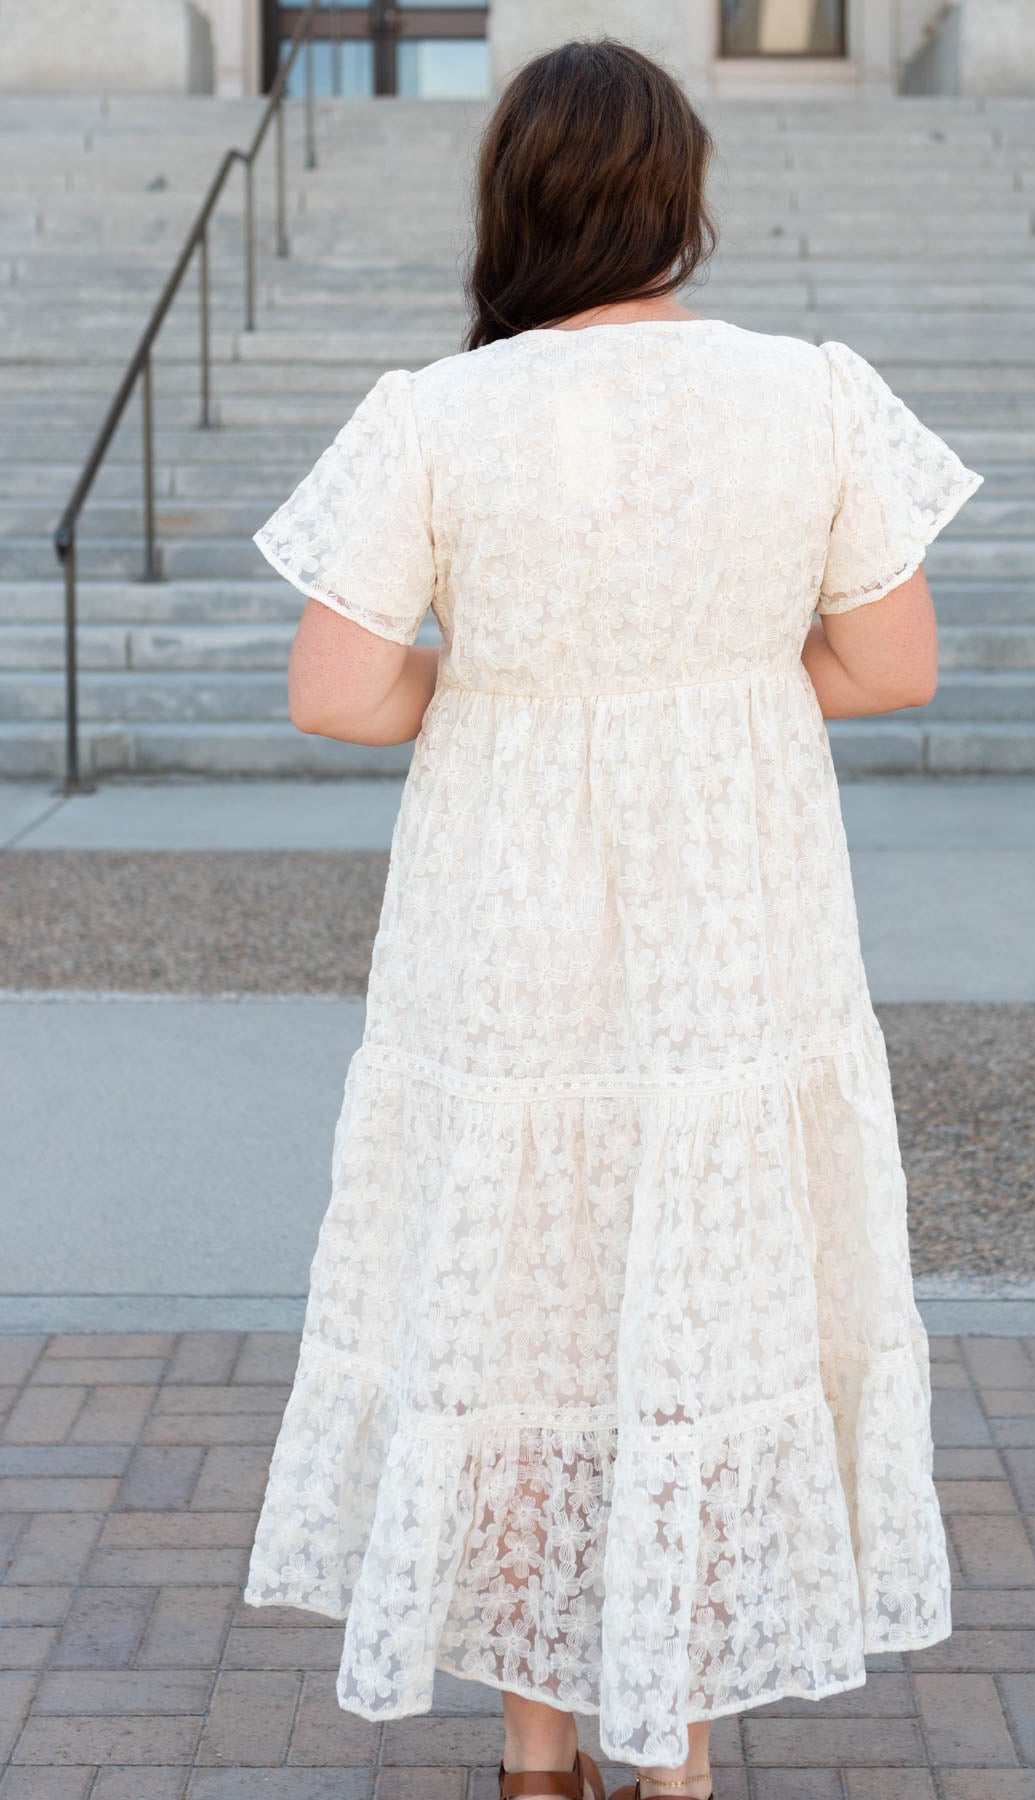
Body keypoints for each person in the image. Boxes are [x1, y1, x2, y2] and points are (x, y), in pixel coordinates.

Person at [243, 36, 983, 1800]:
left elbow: (335, 695)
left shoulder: (435, 411)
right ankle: (683, 1752)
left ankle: (534, 1750)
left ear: (513, 200)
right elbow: (894, 665)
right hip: (737, 899)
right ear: (679, 199)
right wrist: (715, 681)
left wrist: (505, 694)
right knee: (705, 1288)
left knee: (518, 1287)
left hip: (502, 907)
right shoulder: (809, 393)